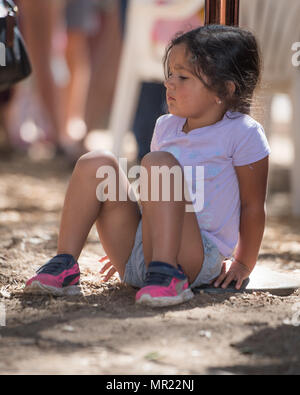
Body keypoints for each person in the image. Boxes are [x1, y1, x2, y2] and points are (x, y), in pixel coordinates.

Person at [24, 25, 271, 307]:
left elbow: (253, 206)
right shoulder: (165, 126)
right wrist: (135, 241)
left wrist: (243, 263)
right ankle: (65, 263)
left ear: (224, 90)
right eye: (169, 74)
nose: (169, 83)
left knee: (157, 163)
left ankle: (168, 275)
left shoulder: (243, 132)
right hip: (148, 249)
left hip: (196, 256)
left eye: (183, 77)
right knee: (97, 162)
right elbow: (155, 198)